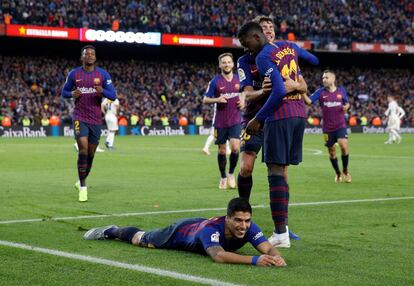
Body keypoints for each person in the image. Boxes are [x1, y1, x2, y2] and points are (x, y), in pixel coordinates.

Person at [238, 22, 315, 248]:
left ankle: (284, 229)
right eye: (265, 27)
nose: (269, 30)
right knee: (246, 168)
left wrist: (289, 87)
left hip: (276, 116)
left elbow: (302, 84)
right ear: (258, 34)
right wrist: (266, 90)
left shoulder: (281, 54)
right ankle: (243, 211)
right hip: (255, 119)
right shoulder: (245, 61)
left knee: (280, 171)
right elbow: (248, 94)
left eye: (271, 28)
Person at [84, 197, 287, 267]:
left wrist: (276, 257)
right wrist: (254, 260)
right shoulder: (212, 230)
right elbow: (219, 256)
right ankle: (111, 230)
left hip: (197, 225)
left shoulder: (249, 227)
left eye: (247, 221)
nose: (243, 226)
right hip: (179, 232)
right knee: (140, 239)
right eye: (238, 221)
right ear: (227, 219)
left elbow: (268, 248)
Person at [61, 45, 117, 202]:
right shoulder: (74, 74)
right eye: (87, 54)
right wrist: (72, 93)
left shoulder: (103, 74)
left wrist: (102, 92)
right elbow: (64, 93)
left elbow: (113, 95)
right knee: (83, 150)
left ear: (95, 57)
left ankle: (80, 181)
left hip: (95, 120)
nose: (90, 56)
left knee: (91, 154)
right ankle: (84, 188)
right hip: (80, 117)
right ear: (82, 57)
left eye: (92, 54)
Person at [203, 53, 244, 190]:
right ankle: (223, 177)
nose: (226, 64)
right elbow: (205, 99)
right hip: (220, 122)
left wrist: (243, 101)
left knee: (235, 147)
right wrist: (217, 99)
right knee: (221, 151)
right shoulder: (215, 81)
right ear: (220, 65)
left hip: (236, 120)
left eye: (228, 62)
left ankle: (231, 173)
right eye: (224, 62)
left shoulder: (240, 80)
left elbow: (246, 92)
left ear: (233, 64)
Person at [302, 70, 351, 183]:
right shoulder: (320, 92)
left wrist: (347, 106)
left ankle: (345, 171)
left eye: (326, 77)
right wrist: (302, 92)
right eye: (323, 78)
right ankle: (338, 173)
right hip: (327, 128)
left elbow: (346, 103)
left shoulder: (341, 91)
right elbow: (309, 101)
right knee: (332, 152)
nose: (324, 79)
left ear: (333, 79)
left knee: (343, 146)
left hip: (340, 125)